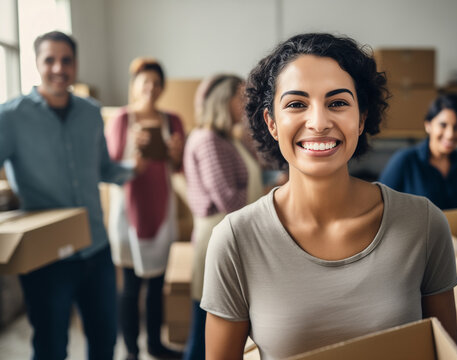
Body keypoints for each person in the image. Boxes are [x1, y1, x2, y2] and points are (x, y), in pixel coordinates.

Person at [200, 33, 457, 359]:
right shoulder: (236, 239)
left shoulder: (422, 223)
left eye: (338, 103)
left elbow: (446, 352)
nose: (319, 122)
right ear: (272, 123)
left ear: (362, 118)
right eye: (296, 104)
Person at [0, 31, 142, 360]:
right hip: (47, 257)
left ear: (76, 64)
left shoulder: (91, 113)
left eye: (66, 60)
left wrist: (137, 167)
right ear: (36, 63)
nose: (59, 68)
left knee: (105, 341)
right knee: (51, 347)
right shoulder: (11, 117)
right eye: (50, 60)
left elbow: (105, 169)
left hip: (96, 249)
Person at [105, 58, 184, 360]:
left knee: (157, 284)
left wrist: (176, 155)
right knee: (130, 286)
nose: (150, 88)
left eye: (156, 83)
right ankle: (131, 350)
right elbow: (110, 165)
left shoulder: (173, 120)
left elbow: (179, 168)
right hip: (129, 211)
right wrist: (133, 160)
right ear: (135, 86)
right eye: (145, 82)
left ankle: (155, 343)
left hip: (161, 208)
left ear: (163, 88)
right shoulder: (121, 119)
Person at [182, 74, 263, 360]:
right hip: (216, 235)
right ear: (222, 100)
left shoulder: (228, 138)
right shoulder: (207, 140)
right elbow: (229, 199)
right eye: (239, 97)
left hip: (233, 232)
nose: (245, 103)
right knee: (205, 326)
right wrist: (265, 197)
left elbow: (254, 173)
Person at [379, 93, 457, 210]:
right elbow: (380, 206)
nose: (450, 135)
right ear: (428, 125)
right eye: (443, 125)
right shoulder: (404, 160)